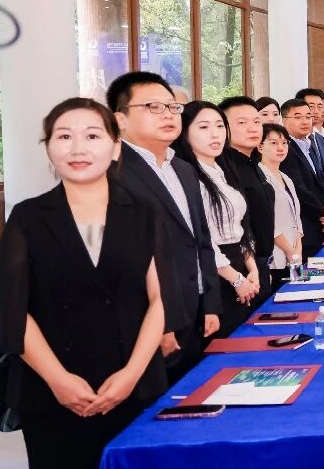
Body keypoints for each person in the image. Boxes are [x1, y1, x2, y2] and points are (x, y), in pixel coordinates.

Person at [0, 98, 167, 469]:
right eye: (63, 136)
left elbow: (161, 301)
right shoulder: (29, 217)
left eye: (92, 135)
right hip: (52, 385)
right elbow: (13, 312)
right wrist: (59, 380)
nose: (78, 147)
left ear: (114, 146)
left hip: (133, 382)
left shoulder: (143, 212)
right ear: (48, 148)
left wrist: (131, 375)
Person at [106, 72, 219, 378]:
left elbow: (200, 238)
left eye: (172, 107)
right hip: (154, 324)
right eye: (153, 107)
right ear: (120, 119)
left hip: (196, 311)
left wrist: (210, 303)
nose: (168, 114)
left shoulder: (182, 168)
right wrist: (161, 324)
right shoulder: (113, 174)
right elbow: (125, 262)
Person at [172, 102, 260, 337]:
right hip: (217, 272)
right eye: (203, 127)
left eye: (220, 126)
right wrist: (236, 279)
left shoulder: (221, 170)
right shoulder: (189, 175)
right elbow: (202, 237)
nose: (215, 134)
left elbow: (240, 226)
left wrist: (252, 269)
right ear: (184, 132)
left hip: (240, 264)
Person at [218, 96, 275, 308]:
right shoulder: (223, 168)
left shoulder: (254, 163)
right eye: (242, 122)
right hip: (241, 270)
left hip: (261, 264)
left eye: (256, 121)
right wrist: (251, 269)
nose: (253, 128)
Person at [278, 98, 324, 257]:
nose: (305, 121)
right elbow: (298, 188)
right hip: (304, 224)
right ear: (284, 120)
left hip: (322, 221)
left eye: (308, 116)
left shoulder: (312, 143)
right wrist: (323, 213)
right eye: (298, 117)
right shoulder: (284, 149)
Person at [256, 123, 304, 290]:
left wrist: (297, 246)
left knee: (295, 293)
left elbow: (296, 216)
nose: (281, 148)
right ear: (260, 147)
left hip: (294, 252)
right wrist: (289, 250)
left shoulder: (286, 178)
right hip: (275, 255)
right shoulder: (259, 177)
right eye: (274, 143)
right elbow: (267, 221)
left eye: (284, 143)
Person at [294, 88, 324, 204]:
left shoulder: (320, 139)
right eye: (311, 106)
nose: (316, 111)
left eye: (319, 107)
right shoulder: (292, 140)